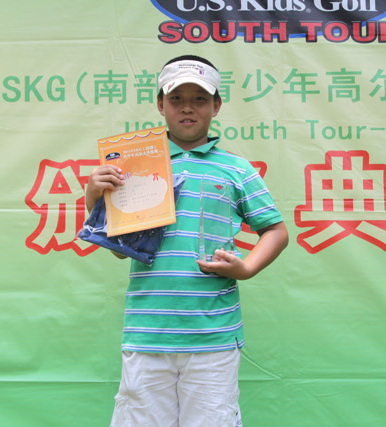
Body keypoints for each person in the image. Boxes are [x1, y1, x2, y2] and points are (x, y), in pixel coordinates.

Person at [85, 55, 289, 426]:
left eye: (200, 99)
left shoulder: (236, 169)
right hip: (148, 332)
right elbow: (121, 251)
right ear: (160, 104)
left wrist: (246, 268)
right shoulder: (134, 167)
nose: (187, 108)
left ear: (217, 106)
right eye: (176, 98)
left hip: (213, 334)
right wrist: (94, 199)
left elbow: (275, 230)